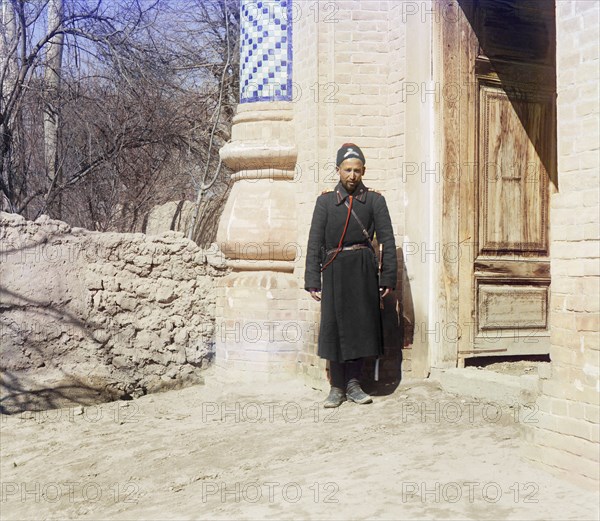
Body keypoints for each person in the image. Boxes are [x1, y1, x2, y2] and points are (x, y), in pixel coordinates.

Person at [305, 143, 397, 408]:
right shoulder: (324, 202)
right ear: (338, 170)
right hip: (333, 269)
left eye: (357, 170)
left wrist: (387, 277)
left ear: (364, 171)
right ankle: (336, 387)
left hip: (363, 271)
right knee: (333, 328)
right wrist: (312, 279)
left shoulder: (376, 201)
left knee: (360, 328)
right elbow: (314, 242)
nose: (352, 175)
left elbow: (388, 242)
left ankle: (355, 384)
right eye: (347, 170)